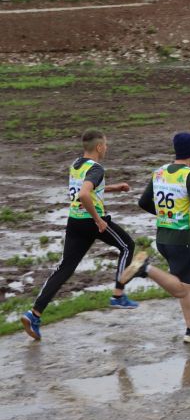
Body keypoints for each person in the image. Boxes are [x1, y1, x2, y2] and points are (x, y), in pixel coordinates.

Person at [21, 129, 143, 340]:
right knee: (127, 246)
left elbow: (86, 188)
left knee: (64, 269)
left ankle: (34, 314)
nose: (106, 148)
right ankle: (118, 295)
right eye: (105, 145)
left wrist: (114, 188)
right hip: (91, 222)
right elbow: (84, 193)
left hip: (74, 222)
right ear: (98, 147)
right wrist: (98, 220)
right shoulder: (97, 168)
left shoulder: (77, 164)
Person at [121, 132, 190, 343]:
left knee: (189, 281)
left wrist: (167, 215)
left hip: (163, 237)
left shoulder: (160, 172)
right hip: (180, 239)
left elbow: (143, 203)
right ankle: (146, 269)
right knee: (182, 289)